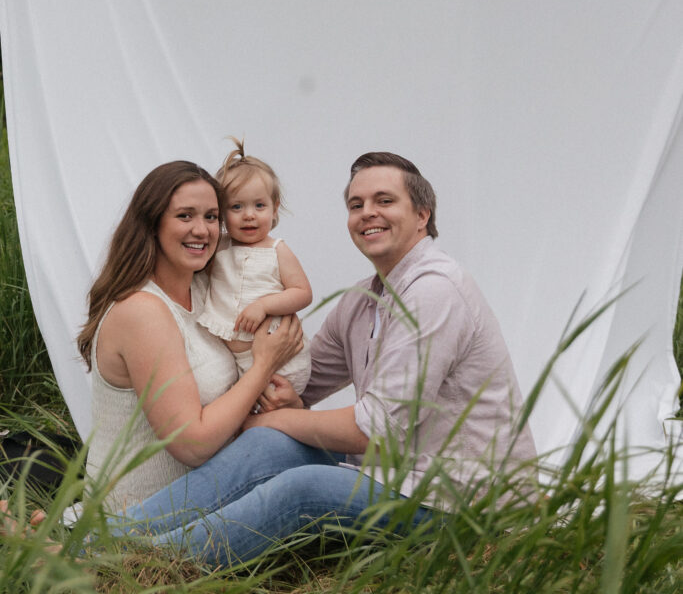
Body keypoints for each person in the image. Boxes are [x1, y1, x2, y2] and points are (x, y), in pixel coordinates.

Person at [105, 152, 537, 565]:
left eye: (385, 201)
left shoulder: (435, 291)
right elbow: (297, 384)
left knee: (300, 488)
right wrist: (270, 389)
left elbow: (375, 432)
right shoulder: (366, 300)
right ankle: (99, 538)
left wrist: (271, 418)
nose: (368, 212)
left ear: (423, 215)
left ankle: (118, 563)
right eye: (356, 204)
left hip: (460, 500)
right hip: (398, 477)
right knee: (268, 444)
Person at [76, 160, 303, 512]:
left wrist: (283, 399)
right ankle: (83, 543)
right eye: (185, 216)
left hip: (209, 497)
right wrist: (264, 365)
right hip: (141, 514)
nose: (202, 230)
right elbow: (192, 446)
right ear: (152, 224)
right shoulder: (142, 310)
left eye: (211, 217)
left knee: (312, 452)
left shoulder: (206, 291)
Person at [198, 139, 312, 393]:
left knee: (269, 412)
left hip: (284, 362)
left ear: (274, 209)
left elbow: (303, 292)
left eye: (259, 205)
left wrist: (263, 306)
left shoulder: (276, 250)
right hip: (240, 365)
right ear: (221, 213)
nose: (249, 215)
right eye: (236, 206)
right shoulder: (220, 247)